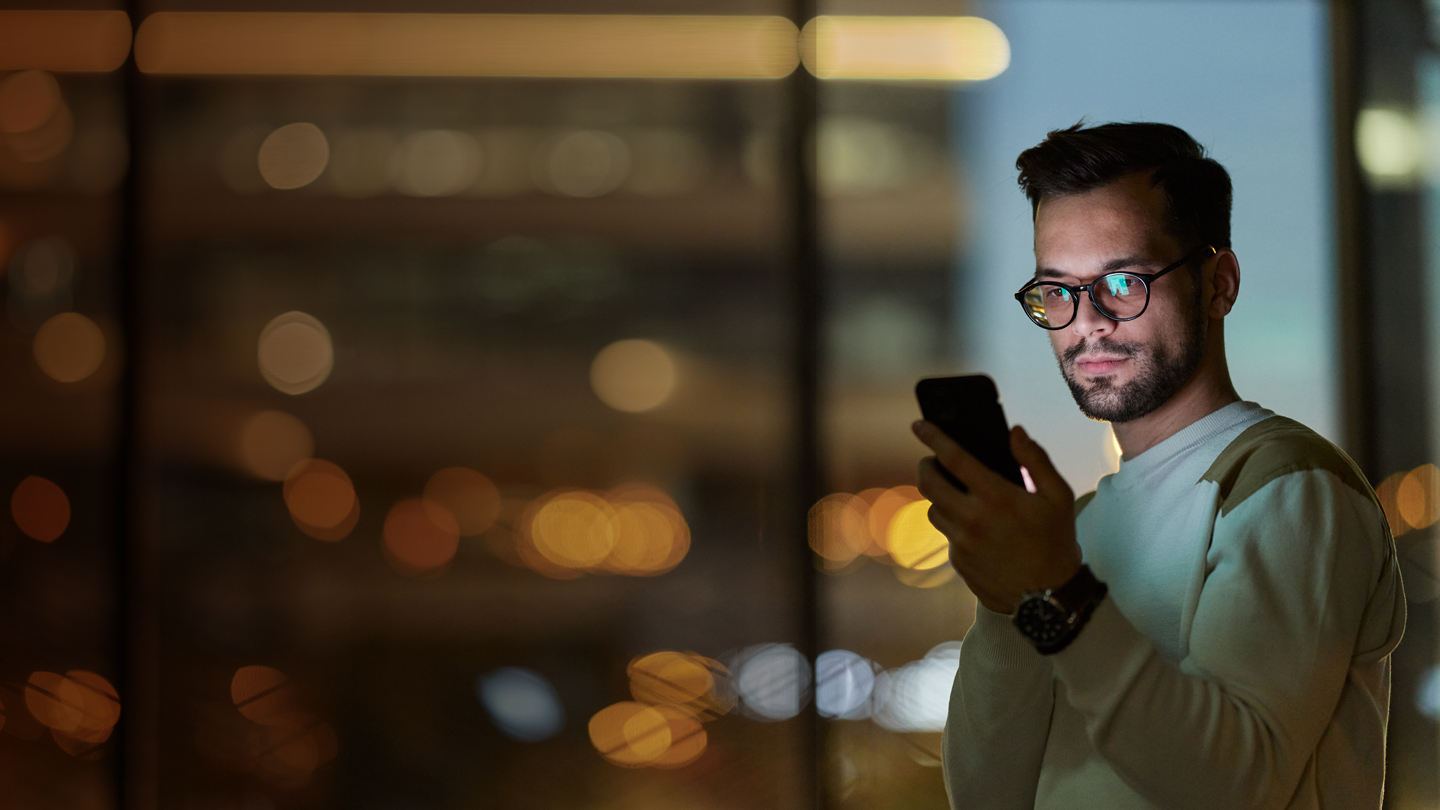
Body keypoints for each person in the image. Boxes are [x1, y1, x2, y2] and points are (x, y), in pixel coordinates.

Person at [914, 122, 1406, 809]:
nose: (1088, 322)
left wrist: (1058, 592)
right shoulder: (1074, 528)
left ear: (1218, 284)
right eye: (1057, 291)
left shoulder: (1287, 486)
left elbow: (1232, 785)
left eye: (1122, 280)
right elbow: (989, 793)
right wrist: (1007, 604)